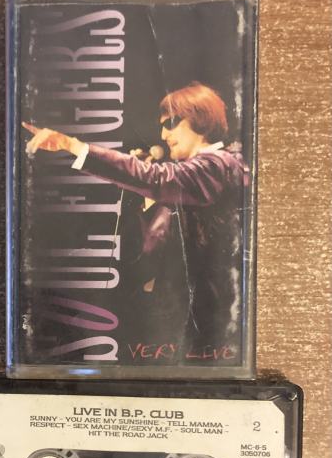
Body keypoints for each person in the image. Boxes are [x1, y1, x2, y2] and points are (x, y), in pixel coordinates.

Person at [23, 82, 249, 359]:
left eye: (171, 124)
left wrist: (72, 145)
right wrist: (146, 199)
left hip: (210, 315)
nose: (164, 135)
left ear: (200, 119)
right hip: (183, 311)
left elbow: (155, 178)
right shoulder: (197, 175)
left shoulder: (219, 164)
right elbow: (157, 243)